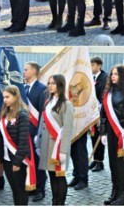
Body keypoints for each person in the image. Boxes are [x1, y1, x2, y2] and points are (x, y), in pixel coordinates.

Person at [100, 65, 124, 205]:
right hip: (111, 133)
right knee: (112, 165)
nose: (113, 76)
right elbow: (103, 115)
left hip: (122, 134)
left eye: (116, 74)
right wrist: (103, 132)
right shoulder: (108, 92)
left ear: (123, 76)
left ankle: (123, 196)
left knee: (122, 166)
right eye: (112, 74)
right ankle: (114, 192)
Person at [0, 86, 36, 205]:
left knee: (21, 191)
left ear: (16, 96)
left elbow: (23, 142)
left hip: (18, 160)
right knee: (14, 189)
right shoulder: (3, 114)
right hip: (7, 159)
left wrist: (17, 162)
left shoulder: (22, 115)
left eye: (7, 97)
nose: (5, 100)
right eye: (3, 97)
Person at [37, 74, 74, 205]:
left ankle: (60, 202)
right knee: (51, 175)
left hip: (58, 147)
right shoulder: (47, 102)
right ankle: (54, 201)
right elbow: (42, 124)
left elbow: (68, 129)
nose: (50, 86)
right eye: (49, 83)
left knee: (59, 176)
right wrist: (38, 144)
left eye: (53, 83)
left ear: (60, 85)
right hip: (47, 145)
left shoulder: (66, 104)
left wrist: (63, 150)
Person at [22, 62, 47, 202]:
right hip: (24, 132)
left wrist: (39, 135)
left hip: (36, 133)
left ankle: (40, 189)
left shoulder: (42, 89)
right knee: (28, 162)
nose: (23, 72)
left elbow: (43, 114)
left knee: (38, 162)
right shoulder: (23, 88)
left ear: (34, 71)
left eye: (26, 70)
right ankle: (31, 186)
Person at [89, 57, 107, 172]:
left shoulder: (104, 78)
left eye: (93, 65)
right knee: (93, 136)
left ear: (99, 65)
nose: (91, 67)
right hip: (91, 112)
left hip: (100, 111)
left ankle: (100, 162)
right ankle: (95, 159)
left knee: (100, 137)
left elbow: (103, 96)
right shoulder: (90, 77)